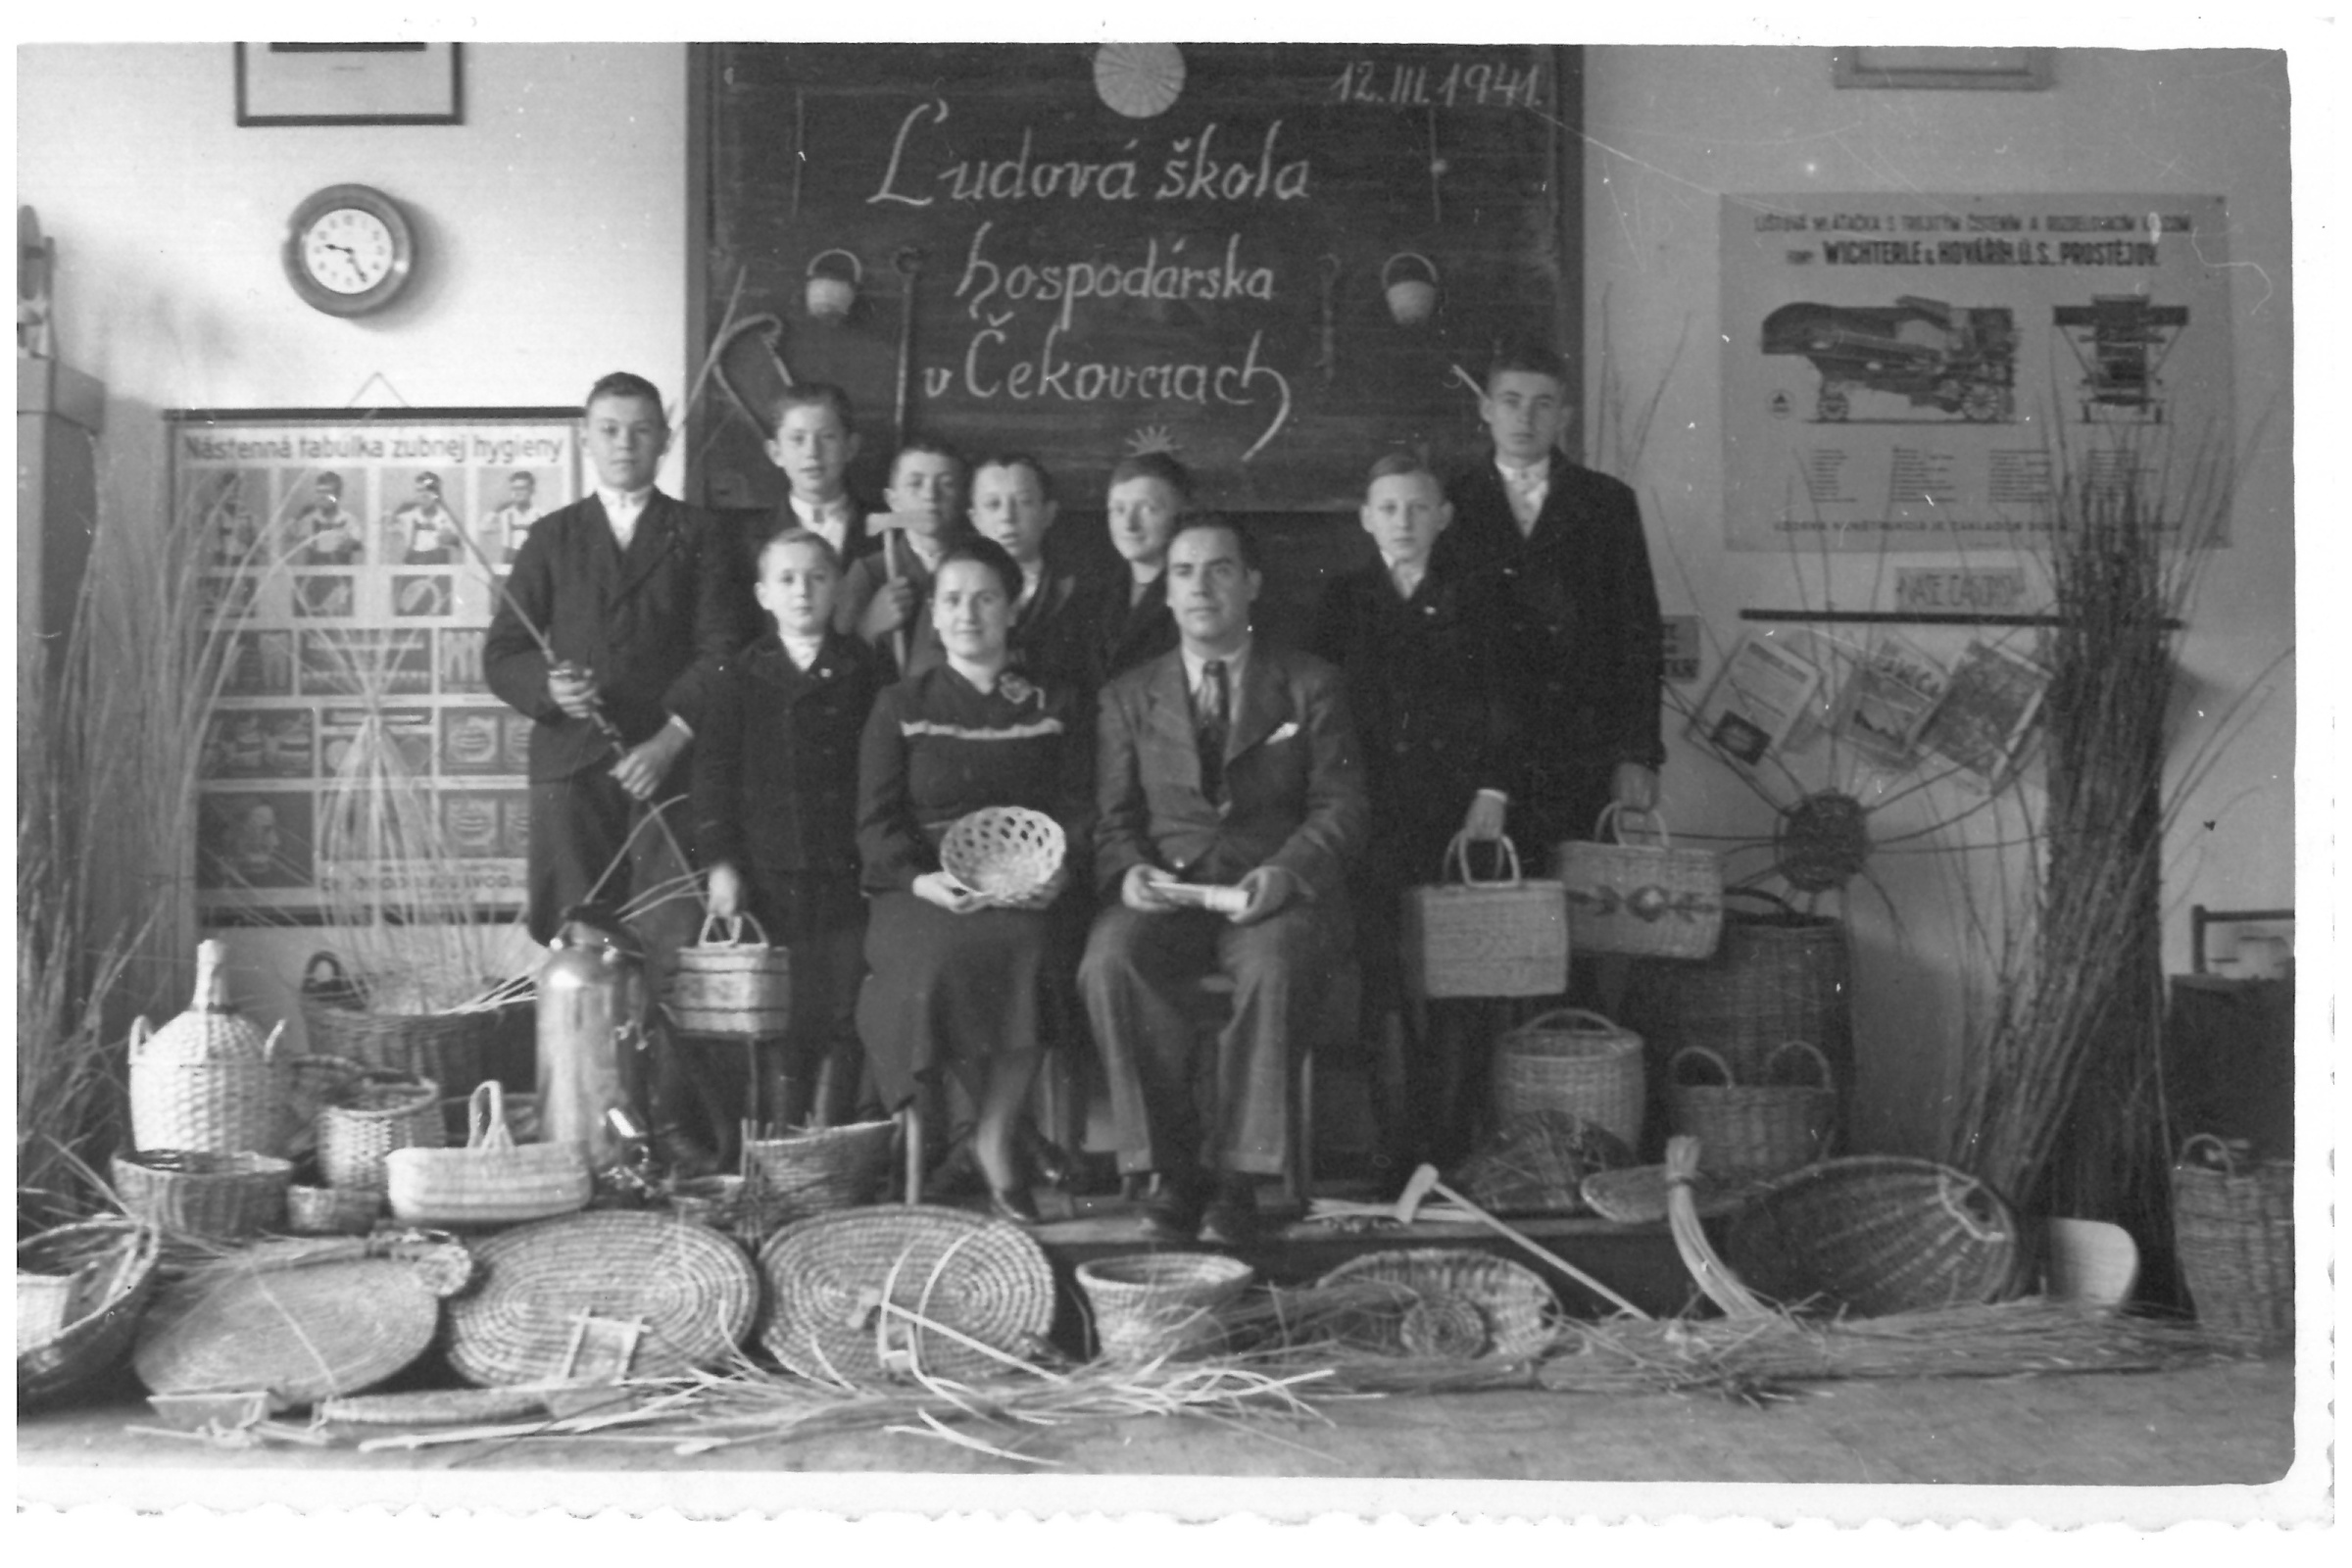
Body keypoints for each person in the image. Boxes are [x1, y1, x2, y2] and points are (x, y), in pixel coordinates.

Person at [1079, 516, 1368, 1246]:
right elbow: (1113, 820)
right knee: (1110, 959)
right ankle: (1169, 1172)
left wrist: (1286, 873)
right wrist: (1130, 871)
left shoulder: (1309, 683)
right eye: (1183, 572)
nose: (1200, 587)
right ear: (1167, 591)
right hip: (1168, 894)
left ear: (1252, 583)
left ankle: (1237, 1179)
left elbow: (1342, 807)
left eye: (1219, 570)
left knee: (1276, 965)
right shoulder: (1127, 696)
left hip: (1271, 896)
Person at [483, 371, 743, 1164]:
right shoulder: (553, 537)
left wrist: (669, 739)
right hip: (572, 773)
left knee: (672, 949)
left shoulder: (701, 535)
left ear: (664, 439)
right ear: (586, 438)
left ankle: (675, 1132)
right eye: (609, 429)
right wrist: (550, 690)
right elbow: (503, 654)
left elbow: (724, 652)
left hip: (672, 773)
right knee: (578, 953)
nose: (625, 444)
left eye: (640, 429)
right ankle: (583, 1136)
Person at [854, 536, 1092, 1222]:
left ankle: (991, 1135)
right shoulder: (900, 703)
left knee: (1035, 952)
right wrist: (923, 882)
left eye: (985, 598)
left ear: (1012, 610)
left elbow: (1082, 805)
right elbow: (875, 824)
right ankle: (998, 1133)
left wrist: (1060, 871)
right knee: (936, 965)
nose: (967, 613)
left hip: (1028, 883)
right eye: (952, 599)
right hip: (924, 891)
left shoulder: (1053, 702)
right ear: (933, 612)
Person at [1310, 453, 1517, 1171]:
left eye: (1418, 507)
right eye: (1389, 509)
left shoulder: (1479, 598)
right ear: (1367, 519)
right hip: (1371, 816)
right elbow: (1318, 711)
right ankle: (1396, 1149)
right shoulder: (1342, 601)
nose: (1403, 521)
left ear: (1444, 518)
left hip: (1457, 816)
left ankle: (1454, 1145)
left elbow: (1507, 700)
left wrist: (1493, 791)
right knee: (1385, 976)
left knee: (1459, 977)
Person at [1438, 341, 1665, 852]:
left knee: (1582, 888)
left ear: (1564, 416)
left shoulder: (1607, 503)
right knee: (1480, 892)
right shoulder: (1450, 502)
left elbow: (1638, 634)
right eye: (1511, 401)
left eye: (1543, 404)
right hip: (1479, 755)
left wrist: (1638, 753)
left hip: (1580, 746)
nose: (1526, 418)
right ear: (1486, 409)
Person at [694, 528, 884, 1131]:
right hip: (769, 873)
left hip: (846, 871)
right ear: (763, 595)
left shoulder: (866, 669)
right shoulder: (739, 674)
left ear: (838, 589)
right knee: (780, 1011)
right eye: (787, 579)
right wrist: (722, 865)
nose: (803, 591)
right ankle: (778, 1144)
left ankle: (832, 1143)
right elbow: (714, 774)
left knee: (844, 1006)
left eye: (817, 578)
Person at [1044, 451, 1188, 702]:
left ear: (1180, 514)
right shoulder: (1092, 596)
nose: (1129, 525)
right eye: (1118, 510)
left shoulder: (1192, 595)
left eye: (1147, 509)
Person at [835, 438, 968, 680]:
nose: (930, 495)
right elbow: (835, 659)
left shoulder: (978, 568)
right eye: (916, 484)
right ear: (893, 500)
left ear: (962, 498)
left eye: (946, 484)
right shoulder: (870, 572)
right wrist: (869, 625)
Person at [967, 453, 1079, 676]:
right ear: (975, 519)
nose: (1007, 517)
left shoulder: (1076, 589)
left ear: (1048, 513)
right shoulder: (954, 589)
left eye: (1023, 502)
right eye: (993, 504)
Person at [297, 472, 365, 565]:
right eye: (320, 492)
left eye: (328, 492)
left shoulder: (349, 520)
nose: (323, 497)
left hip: (342, 572)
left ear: (338, 495)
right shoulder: (308, 520)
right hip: (315, 573)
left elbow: (358, 544)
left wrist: (351, 544)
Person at [393, 471, 460, 564]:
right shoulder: (407, 516)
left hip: (438, 569)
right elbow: (387, 528)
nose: (423, 495)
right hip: (412, 568)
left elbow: (458, 545)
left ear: (437, 493)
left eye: (428, 490)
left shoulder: (447, 518)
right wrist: (400, 508)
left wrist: (450, 539)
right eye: (419, 490)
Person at [485, 471, 542, 564]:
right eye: (514, 489)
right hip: (510, 561)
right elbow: (484, 528)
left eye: (522, 488)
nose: (517, 493)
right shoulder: (506, 514)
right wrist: (496, 510)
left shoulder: (539, 514)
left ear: (532, 490)